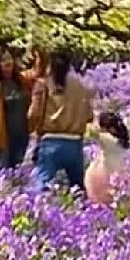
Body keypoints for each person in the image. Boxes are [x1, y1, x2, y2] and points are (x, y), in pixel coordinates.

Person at [29, 49, 94, 192]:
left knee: (42, 189)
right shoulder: (81, 85)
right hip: (75, 143)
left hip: (50, 142)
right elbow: (89, 116)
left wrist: (30, 130)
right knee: (78, 188)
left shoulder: (43, 84)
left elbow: (33, 114)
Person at [0, 48, 35, 169]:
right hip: (4, 138)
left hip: (22, 135)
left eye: (9, 59)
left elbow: (39, 72)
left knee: (17, 169)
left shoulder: (22, 81)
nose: (8, 63)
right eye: (3, 61)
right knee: (3, 171)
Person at [85, 110, 130, 205]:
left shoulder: (109, 140)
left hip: (108, 177)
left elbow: (92, 132)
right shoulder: (121, 142)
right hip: (121, 176)